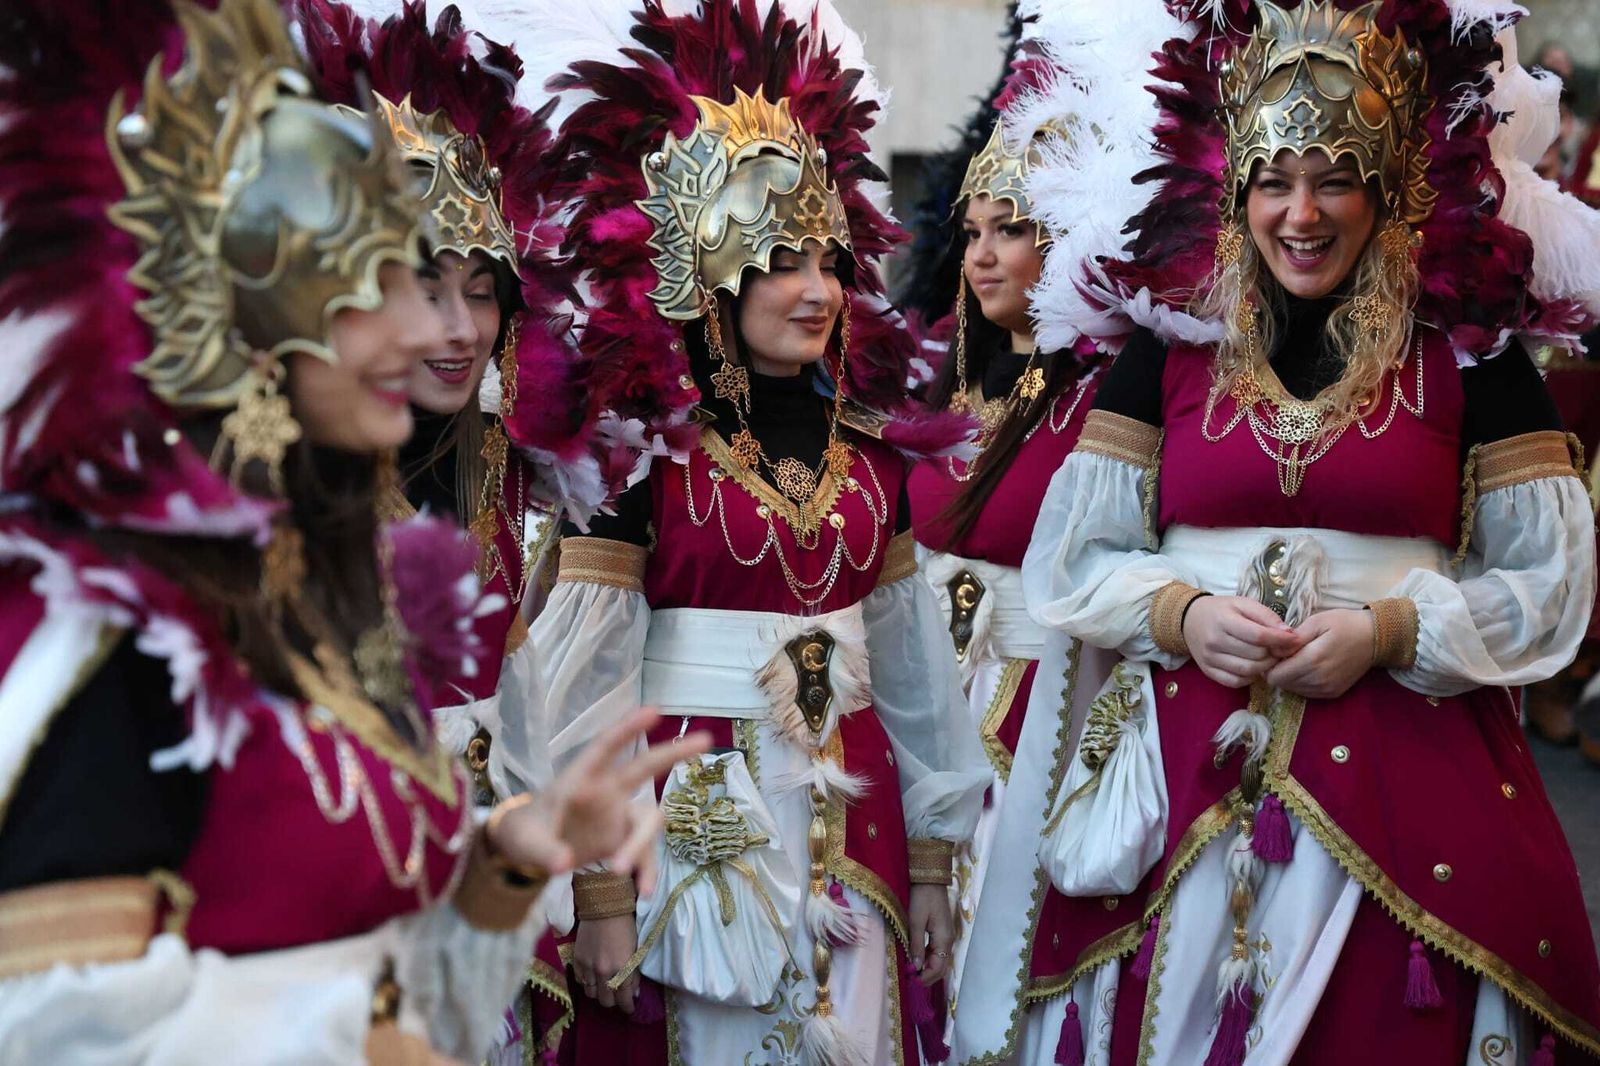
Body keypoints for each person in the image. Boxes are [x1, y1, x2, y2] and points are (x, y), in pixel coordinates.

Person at [0, 1, 704, 1061]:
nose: (433, 332)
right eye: (384, 285)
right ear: (242, 316)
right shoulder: (124, 631)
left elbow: (405, 981)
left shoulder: (329, 590)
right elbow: (54, 1030)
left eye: (451, 288)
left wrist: (508, 858)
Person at [964, 0, 1600, 1061]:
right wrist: (1181, 610)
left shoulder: (1468, 358)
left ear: (1390, 188)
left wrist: (1388, 632)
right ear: (1235, 191)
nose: (1299, 214)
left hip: (1410, 796)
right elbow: (1071, 562)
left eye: (1335, 176)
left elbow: (1550, 585)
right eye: (1274, 180)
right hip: (1172, 790)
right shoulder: (1165, 352)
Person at [490, 1, 993, 1061]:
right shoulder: (639, 457)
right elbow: (585, 691)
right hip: (691, 854)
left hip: (859, 844)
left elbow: (914, 682)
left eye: (829, 260)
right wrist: (600, 894)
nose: (815, 289)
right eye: (779, 261)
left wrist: (941, 862)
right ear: (711, 275)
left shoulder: (876, 455)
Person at [904, 58, 1107, 1008]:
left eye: (1012, 231)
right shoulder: (943, 394)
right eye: (973, 233)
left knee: (1011, 947)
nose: (983, 255)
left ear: (1061, 238)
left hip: (1049, 708)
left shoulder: (1107, 402)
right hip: (927, 701)